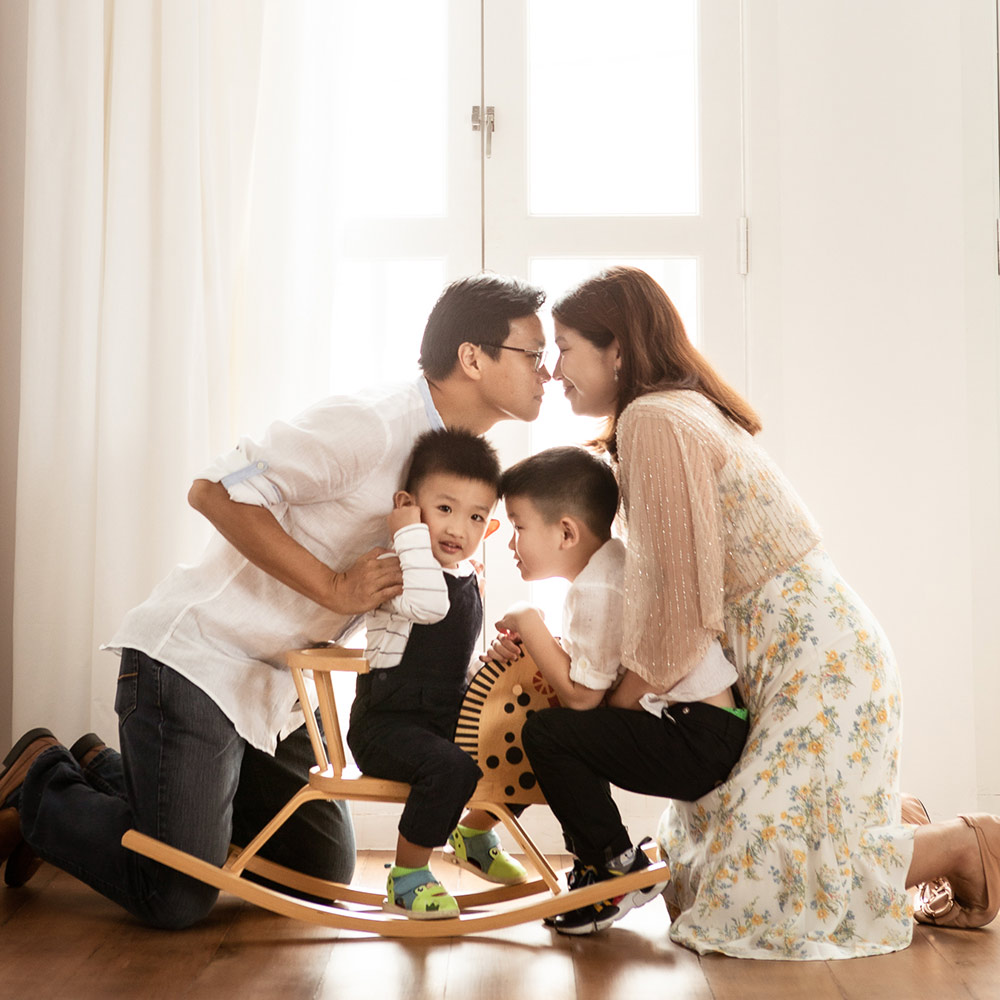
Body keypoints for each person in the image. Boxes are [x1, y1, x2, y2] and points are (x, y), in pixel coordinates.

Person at [0, 272, 549, 929]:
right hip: (196, 663)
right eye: (533, 354)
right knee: (175, 895)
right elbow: (211, 489)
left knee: (321, 868)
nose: (548, 373)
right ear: (473, 357)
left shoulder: (455, 466)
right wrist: (333, 587)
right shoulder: (370, 424)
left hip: (274, 692)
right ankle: (43, 782)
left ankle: (107, 771)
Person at [521, 264, 1000, 959]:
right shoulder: (668, 412)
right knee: (711, 875)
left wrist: (613, 702)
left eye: (564, 346)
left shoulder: (655, 417)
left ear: (616, 347)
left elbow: (676, 603)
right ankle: (895, 824)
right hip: (803, 650)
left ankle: (967, 842)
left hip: (814, 661)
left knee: (761, 891)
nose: (555, 367)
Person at [489, 445, 747, 934]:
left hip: (696, 737)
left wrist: (526, 617)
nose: (510, 542)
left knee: (548, 733)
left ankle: (612, 865)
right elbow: (597, 671)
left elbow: (583, 698)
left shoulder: (598, 588)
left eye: (518, 526)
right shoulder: (611, 569)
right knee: (558, 732)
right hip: (705, 728)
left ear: (566, 531)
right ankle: (606, 864)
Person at [346, 427, 528, 920]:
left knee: (531, 743)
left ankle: (472, 831)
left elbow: (452, 663)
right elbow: (427, 609)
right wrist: (406, 532)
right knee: (452, 766)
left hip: (443, 720)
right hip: (386, 725)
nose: (457, 529)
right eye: (443, 509)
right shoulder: (397, 566)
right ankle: (407, 876)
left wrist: (486, 667)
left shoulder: (469, 579)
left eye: (475, 517)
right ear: (408, 506)